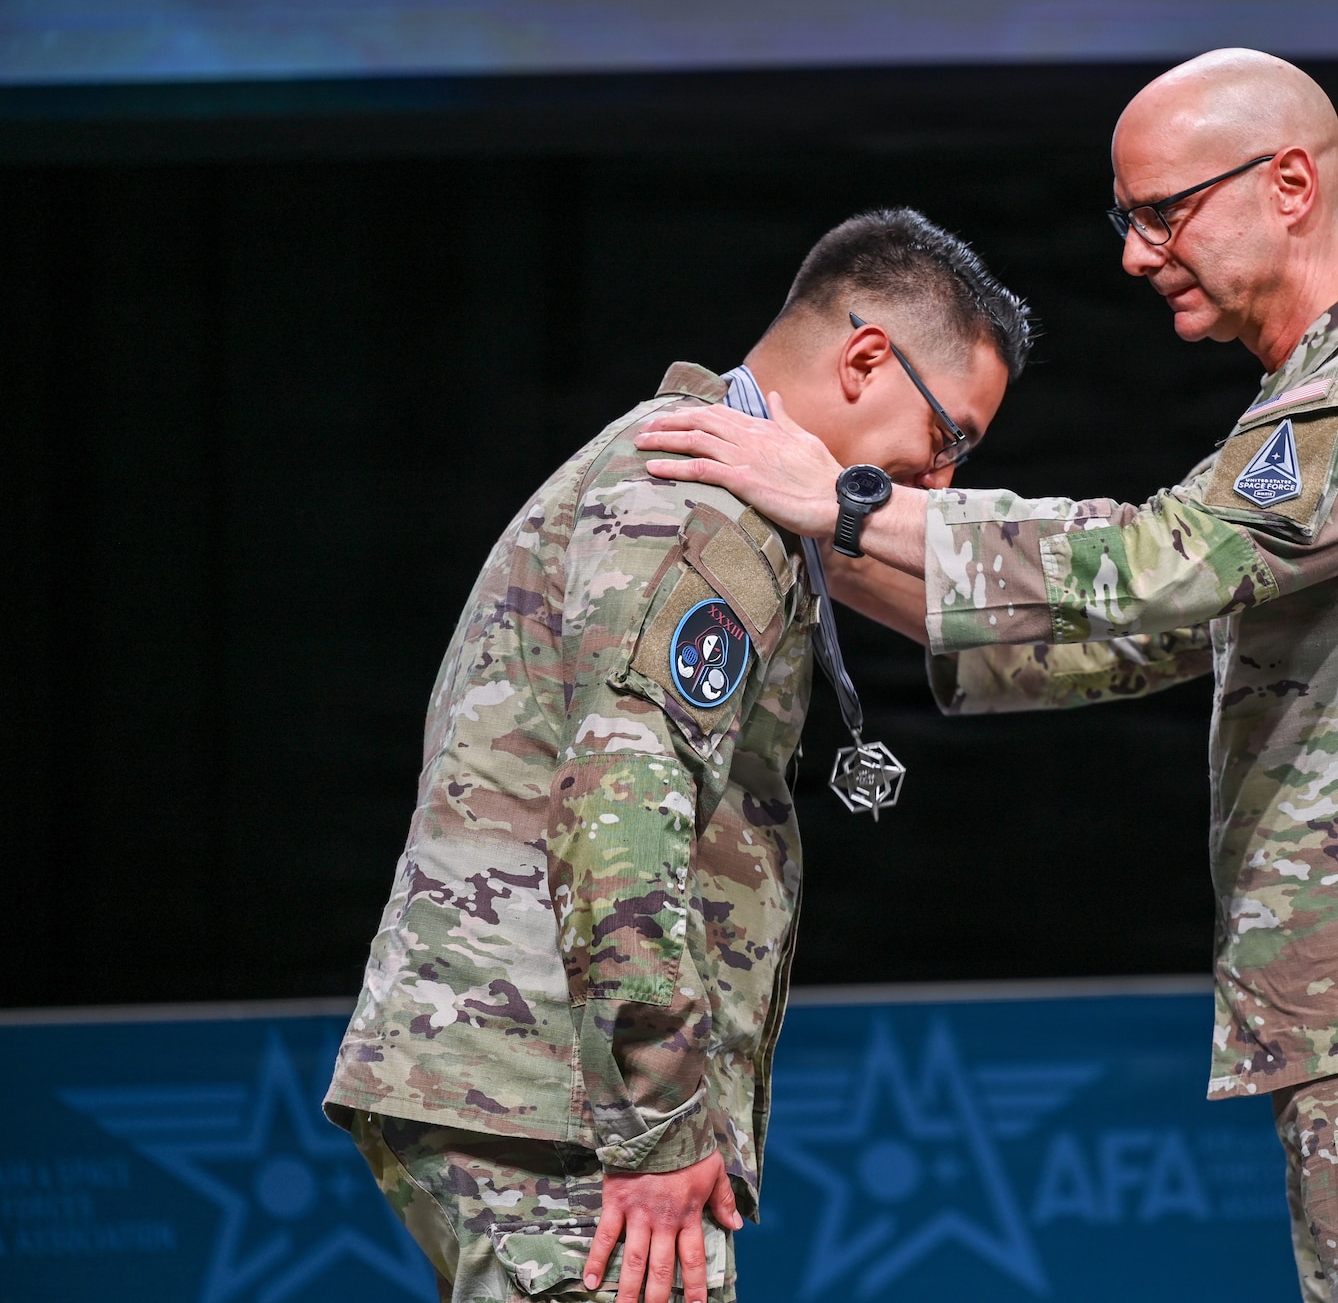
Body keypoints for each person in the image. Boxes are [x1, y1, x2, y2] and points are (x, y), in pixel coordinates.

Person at [634, 51, 1338, 1302]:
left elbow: (1149, 565)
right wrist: (806, 533)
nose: (1135, 254)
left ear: (1290, 184)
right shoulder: (1320, 403)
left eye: (1164, 212)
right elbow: (1123, 637)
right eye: (1125, 219)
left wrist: (839, 496)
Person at [322, 208, 1030, 1303]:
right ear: (864, 358)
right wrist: (655, 1123)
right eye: (951, 439)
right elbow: (622, 811)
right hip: (565, 1100)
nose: (936, 484)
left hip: (530, 1080)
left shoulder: (686, 470)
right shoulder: (703, 500)